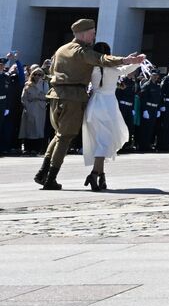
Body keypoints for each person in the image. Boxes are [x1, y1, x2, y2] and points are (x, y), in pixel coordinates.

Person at [34, 20, 145, 190]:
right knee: (65, 137)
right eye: (92, 33)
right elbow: (101, 59)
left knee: (59, 135)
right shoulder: (81, 51)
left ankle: (42, 172)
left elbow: (51, 71)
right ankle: (50, 178)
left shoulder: (61, 49)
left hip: (55, 94)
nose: (94, 37)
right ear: (84, 33)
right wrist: (126, 60)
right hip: (73, 97)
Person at [80, 48, 147, 190]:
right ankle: (94, 174)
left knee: (100, 141)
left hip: (93, 105)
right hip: (108, 105)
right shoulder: (113, 69)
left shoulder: (91, 69)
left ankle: (101, 176)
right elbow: (127, 69)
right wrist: (138, 61)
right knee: (104, 142)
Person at [20, 65, 49, 156]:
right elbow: (23, 97)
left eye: (39, 74)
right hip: (29, 107)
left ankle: (36, 149)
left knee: (38, 129)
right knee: (28, 129)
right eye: (35, 74)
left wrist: (38, 94)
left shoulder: (44, 84)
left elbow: (46, 96)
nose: (37, 76)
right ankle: (27, 148)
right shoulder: (27, 84)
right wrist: (27, 106)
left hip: (40, 108)